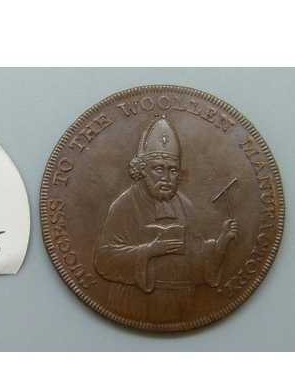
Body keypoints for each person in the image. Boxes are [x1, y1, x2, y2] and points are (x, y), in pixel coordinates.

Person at [94, 115, 238, 324]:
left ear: (179, 175)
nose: (166, 177)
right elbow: (104, 260)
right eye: (158, 169)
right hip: (137, 303)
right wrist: (149, 251)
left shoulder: (185, 206)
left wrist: (222, 242)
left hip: (182, 303)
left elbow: (197, 260)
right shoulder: (125, 206)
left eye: (172, 170)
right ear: (143, 170)